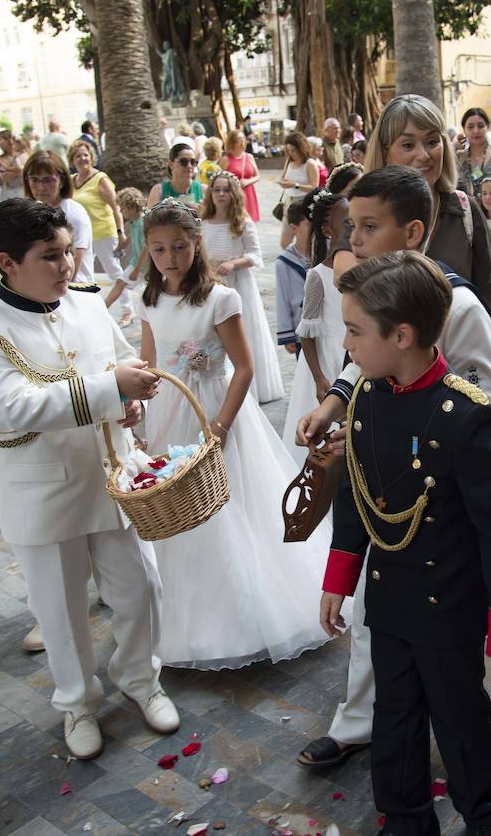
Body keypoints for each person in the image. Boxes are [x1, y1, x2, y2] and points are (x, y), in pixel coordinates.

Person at [295, 166, 491, 769]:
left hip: (451, 481)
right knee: (381, 611)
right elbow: (364, 365)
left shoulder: (456, 303)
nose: (354, 241)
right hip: (394, 478)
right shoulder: (375, 299)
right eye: (351, 227)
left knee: (486, 585)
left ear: (411, 233)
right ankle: (360, 720)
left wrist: (406, 437)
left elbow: (481, 397)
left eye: (368, 227)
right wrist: (341, 410)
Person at [318, 250, 491, 836]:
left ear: (403, 335)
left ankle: (482, 816)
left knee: (460, 718)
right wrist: (340, 579)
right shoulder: (365, 398)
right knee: (394, 714)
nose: (347, 345)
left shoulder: (466, 417)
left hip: (448, 604)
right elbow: (357, 494)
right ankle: (407, 817)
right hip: (390, 598)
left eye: (355, 331)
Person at [0, 198, 179, 758]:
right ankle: (77, 703)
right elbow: (16, 409)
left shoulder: (86, 304)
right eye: (50, 257)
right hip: (45, 492)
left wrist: (133, 407)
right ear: (8, 262)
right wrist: (110, 391)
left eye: (68, 253)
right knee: (61, 610)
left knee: (140, 590)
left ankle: (142, 681)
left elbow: (130, 366)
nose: (68, 267)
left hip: (113, 480)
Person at [135, 201, 329, 666]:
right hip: (167, 410)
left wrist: (219, 426)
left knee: (227, 505)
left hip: (214, 410)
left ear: (195, 244)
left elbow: (244, 368)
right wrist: (139, 417)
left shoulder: (220, 298)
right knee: (176, 510)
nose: (169, 258)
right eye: (158, 249)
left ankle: (244, 618)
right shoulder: (148, 299)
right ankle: (184, 619)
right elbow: (149, 366)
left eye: (179, 247)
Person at [360, 95, 491, 402]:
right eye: (408, 145)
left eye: (433, 141)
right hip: (392, 380)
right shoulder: (366, 217)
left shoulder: (464, 210)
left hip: (464, 373)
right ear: (384, 151)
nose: (424, 155)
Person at [198, 172, 285, 403]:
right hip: (210, 283)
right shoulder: (204, 222)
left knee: (243, 331)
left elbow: (255, 255)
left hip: (238, 284)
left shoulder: (242, 222)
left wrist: (233, 263)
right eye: (216, 190)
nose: (221, 194)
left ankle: (250, 387)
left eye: (226, 190)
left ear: (234, 193)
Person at [281, 185, 349, 450]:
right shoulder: (317, 276)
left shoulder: (360, 267)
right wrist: (320, 377)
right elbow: (306, 333)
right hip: (328, 358)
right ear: (327, 230)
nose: (352, 226)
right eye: (345, 222)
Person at [69, 140, 132, 324]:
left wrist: (121, 232)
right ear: (72, 160)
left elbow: (116, 207)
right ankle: (88, 311)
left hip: (104, 232)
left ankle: (128, 311)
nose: (82, 159)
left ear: (92, 157)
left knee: (114, 272)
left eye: (85, 155)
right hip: (82, 237)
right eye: (78, 156)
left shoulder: (100, 178)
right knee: (84, 274)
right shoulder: (73, 181)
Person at [23, 150, 93, 282]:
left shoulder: (74, 214)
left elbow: (75, 260)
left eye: (48, 180)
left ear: (62, 181)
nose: (41, 187)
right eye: (34, 180)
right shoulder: (32, 211)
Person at [276, 198, 313, 353]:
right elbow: (282, 300)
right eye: (308, 224)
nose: (314, 228)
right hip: (300, 328)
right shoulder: (284, 262)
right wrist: (287, 334)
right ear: (293, 228)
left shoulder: (327, 255)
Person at [277, 131, 318, 248]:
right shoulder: (289, 161)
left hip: (303, 203)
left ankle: (303, 263)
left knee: (304, 241)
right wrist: (282, 182)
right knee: (284, 243)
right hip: (289, 202)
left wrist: (295, 185)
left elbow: (314, 187)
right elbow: (283, 176)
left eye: (293, 150)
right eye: (288, 150)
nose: (291, 153)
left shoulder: (310, 164)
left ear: (301, 148)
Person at [148, 143, 205, 211]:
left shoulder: (204, 190)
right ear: (171, 164)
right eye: (184, 162)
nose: (189, 166)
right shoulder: (158, 190)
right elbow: (150, 220)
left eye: (193, 162)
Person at [220, 130, 261, 222]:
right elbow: (220, 179)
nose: (243, 142)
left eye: (243, 139)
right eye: (239, 139)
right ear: (232, 141)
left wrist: (248, 181)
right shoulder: (226, 159)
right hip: (234, 195)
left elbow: (257, 176)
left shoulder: (249, 157)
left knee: (249, 224)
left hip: (249, 194)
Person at [0, 131, 25, 201]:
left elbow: (24, 171)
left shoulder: (21, 155)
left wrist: (12, 172)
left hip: (21, 190)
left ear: (8, 139)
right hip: (6, 191)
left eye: (0, 140)